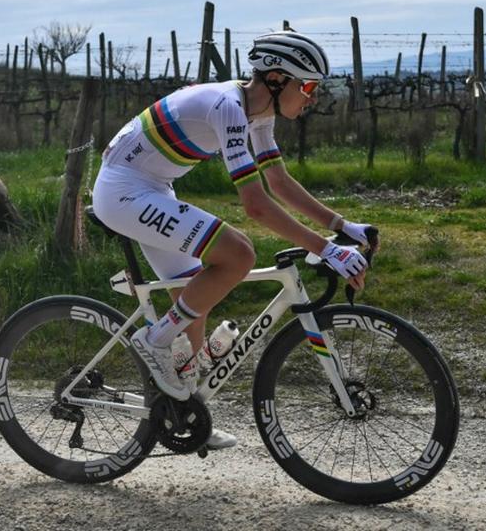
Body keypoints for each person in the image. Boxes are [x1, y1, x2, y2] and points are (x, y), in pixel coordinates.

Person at [92, 31, 376, 450]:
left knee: (194, 297)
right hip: (124, 192)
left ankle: (185, 412)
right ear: (278, 79)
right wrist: (327, 249)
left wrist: (342, 226)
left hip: (151, 188)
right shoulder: (229, 107)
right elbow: (255, 204)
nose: (313, 97)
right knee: (238, 253)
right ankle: (153, 341)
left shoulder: (258, 113)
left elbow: (278, 181)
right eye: (310, 85)